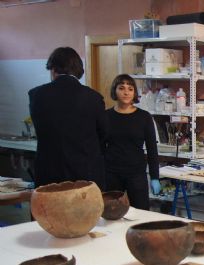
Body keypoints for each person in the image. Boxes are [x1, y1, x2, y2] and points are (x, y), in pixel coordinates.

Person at [28, 46, 108, 189]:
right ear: (78, 70)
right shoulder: (94, 98)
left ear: (53, 69)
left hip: (49, 174)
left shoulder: (36, 95)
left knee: (49, 211)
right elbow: (103, 135)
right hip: (85, 174)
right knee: (85, 211)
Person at [104, 74, 161, 210]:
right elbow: (99, 147)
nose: (126, 92)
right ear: (115, 91)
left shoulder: (144, 117)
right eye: (121, 88)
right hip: (111, 172)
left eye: (130, 89)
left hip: (136, 173)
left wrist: (155, 177)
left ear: (134, 92)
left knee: (140, 214)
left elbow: (152, 149)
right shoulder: (105, 116)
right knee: (111, 212)